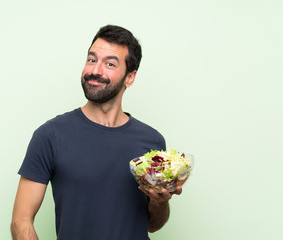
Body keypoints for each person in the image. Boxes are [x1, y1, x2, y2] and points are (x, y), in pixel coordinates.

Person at [11, 24, 182, 240]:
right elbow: (21, 222)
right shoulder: (50, 136)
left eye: (109, 64)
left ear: (130, 77)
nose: (95, 71)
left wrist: (161, 202)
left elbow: (153, 225)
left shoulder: (151, 141)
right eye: (92, 60)